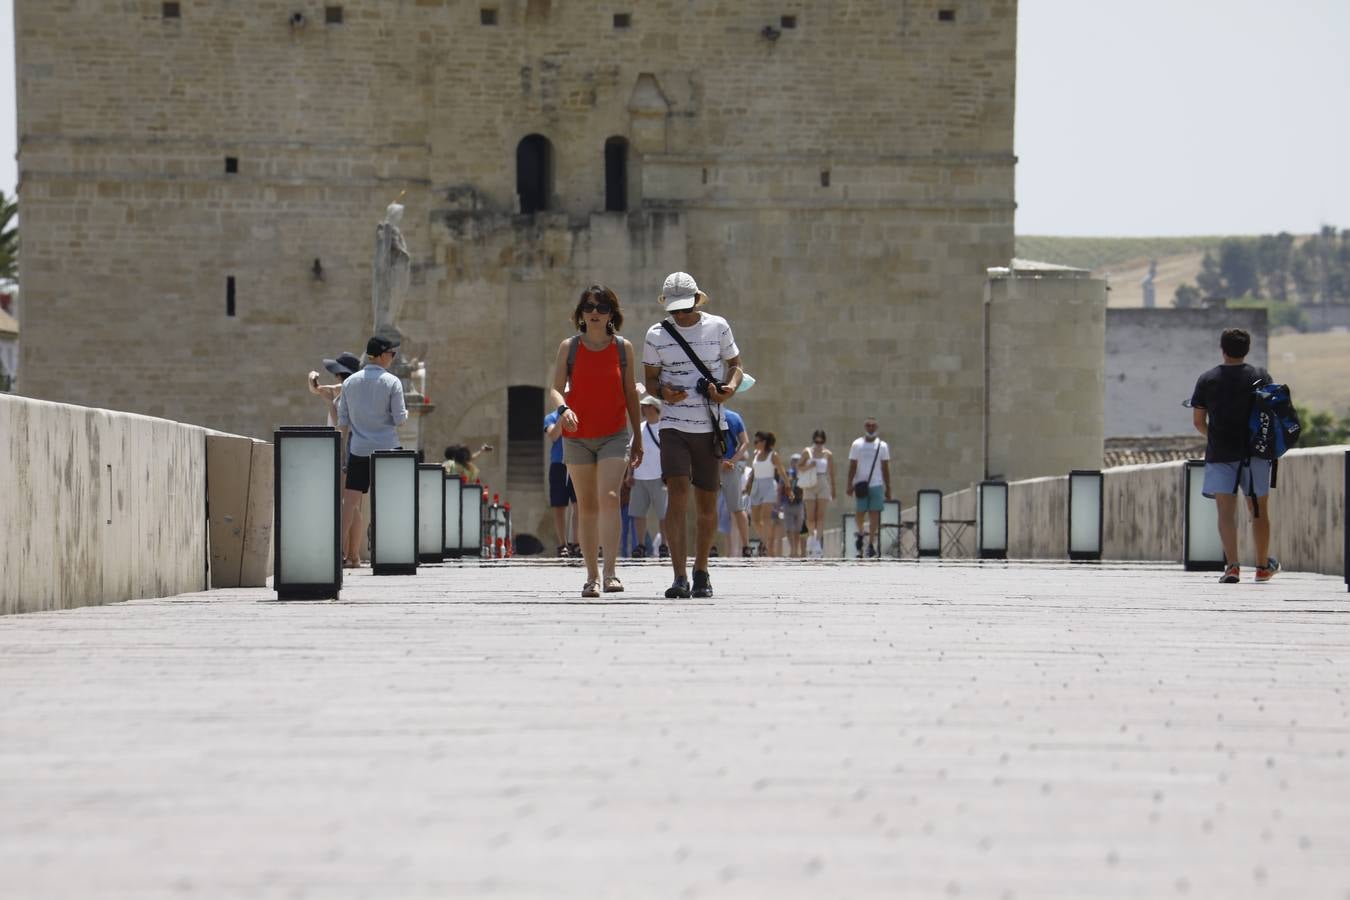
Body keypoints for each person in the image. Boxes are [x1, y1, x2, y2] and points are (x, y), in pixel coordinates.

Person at [643, 271, 744, 598]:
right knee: (677, 497)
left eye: (685, 308)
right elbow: (650, 380)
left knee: (706, 501)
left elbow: (736, 365)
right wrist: (663, 393)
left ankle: (702, 570)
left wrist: (728, 389)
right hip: (673, 425)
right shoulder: (655, 335)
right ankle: (679, 576)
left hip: (710, 424)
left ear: (697, 300)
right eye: (674, 310)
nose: (680, 315)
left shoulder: (719, 326)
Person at [549, 284, 643, 598]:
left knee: (612, 498)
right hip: (577, 437)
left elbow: (631, 394)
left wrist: (639, 438)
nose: (595, 313)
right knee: (586, 505)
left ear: (611, 314)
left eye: (602, 308)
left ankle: (612, 571)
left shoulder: (623, 348)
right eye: (589, 307)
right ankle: (591, 576)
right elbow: (556, 388)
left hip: (614, 434)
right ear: (581, 313)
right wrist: (563, 409)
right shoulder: (569, 347)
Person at [1189, 327, 1281, 584]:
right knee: (1258, 510)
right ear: (1247, 349)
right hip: (1255, 454)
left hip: (1221, 454)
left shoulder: (1208, 379)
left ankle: (1232, 567)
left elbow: (1198, 421)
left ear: (1222, 349)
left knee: (1225, 512)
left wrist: (1214, 437)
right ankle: (1263, 567)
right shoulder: (1260, 376)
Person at [336, 336, 408, 568]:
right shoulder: (392, 382)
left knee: (350, 502)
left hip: (359, 449)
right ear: (381, 355)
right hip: (387, 449)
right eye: (392, 354)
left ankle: (336, 551)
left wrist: (342, 455)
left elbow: (343, 421)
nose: (393, 358)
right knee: (391, 501)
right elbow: (399, 419)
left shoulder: (349, 383)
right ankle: (393, 551)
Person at [626, 394, 668, 558]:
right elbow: (632, 452)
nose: (643, 408)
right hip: (640, 476)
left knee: (663, 513)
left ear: (653, 408)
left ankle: (664, 544)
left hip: (659, 477)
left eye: (646, 406)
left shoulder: (664, 427)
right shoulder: (640, 428)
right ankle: (641, 544)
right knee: (638, 513)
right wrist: (630, 473)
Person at [846, 416, 891, 559]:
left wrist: (888, 487)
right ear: (865, 427)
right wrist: (849, 483)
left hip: (876, 483)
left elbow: (885, 467)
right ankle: (860, 533)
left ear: (876, 427)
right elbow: (852, 465)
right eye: (868, 425)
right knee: (860, 512)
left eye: (873, 425)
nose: (871, 428)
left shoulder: (882, 445)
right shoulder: (857, 444)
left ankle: (871, 543)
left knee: (874, 514)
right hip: (861, 483)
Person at [745, 431, 791, 557]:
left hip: (769, 485)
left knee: (766, 517)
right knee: (755, 519)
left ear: (764, 442)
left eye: (757, 441)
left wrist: (788, 487)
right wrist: (748, 486)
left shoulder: (773, 455)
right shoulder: (755, 454)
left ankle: (764, 545)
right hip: (756, 486)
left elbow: (781, 471)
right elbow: (753, 472)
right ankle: (767, 539)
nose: (755, 444)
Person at [543, 407, 578, 557]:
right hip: (558, 464)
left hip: (577, 462)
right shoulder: (550, 417)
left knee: (579, 505)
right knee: (559, 506)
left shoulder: (578, 414)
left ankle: (577, 543)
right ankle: (562, 544)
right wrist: (562, 417)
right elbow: (554, 435)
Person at [797, 429, 836, 558]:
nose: (819, 443)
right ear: (814, 440)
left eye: (821, 441)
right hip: (810, 482)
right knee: (810, 516)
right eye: (816, 441)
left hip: (822, 481)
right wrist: (809, 466)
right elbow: (799, 467)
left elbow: (831, 472)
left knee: (820, 515)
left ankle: (817, 542)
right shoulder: (807, 452)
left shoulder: (827, 454)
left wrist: (833, 489)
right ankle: (812, 537)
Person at [718, 408, 751, 558]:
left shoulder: (704, 414)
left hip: (712, 466)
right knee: (738, 508)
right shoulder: (734, 416)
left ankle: (711, 547)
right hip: (731, 466)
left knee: (709, 508)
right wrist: (733, 461)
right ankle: (746, 547)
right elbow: (745, 442)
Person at [307, 351, 361, 427]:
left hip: (343, 438)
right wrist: (312, 377)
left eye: (337, 373)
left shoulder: (352, 395)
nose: (335, 376)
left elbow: (340, 429)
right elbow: (316, 389)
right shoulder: (342, 389)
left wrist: (330, 403)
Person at [783, 453, 807, 557]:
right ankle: (793, 550)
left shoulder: (803, 473)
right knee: (789, 529)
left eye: (798, 461)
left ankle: (800, 551)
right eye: (794, 461)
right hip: (788, 504)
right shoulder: (787, 473)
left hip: (800, 503)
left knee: (800, 529)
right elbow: (781, 487)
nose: (796, 463)